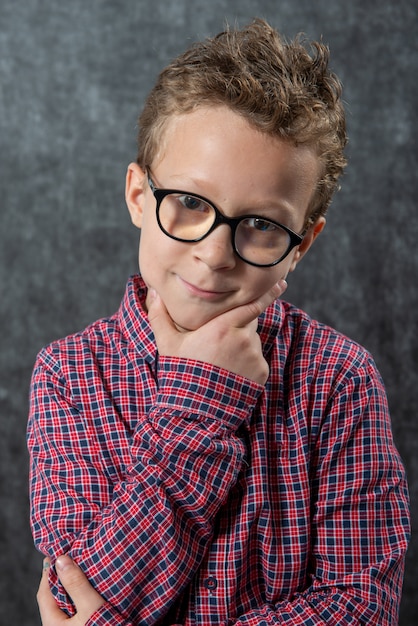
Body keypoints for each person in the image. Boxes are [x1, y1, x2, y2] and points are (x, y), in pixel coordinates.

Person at [28, 17, 410, 626]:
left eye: (261, 224)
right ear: (137, 195)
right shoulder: (70, 374)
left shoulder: (340, 380)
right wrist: (204, 400)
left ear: (302, 244)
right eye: (188, 203)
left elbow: (360, 606)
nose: (214, 252)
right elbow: (80, 595)